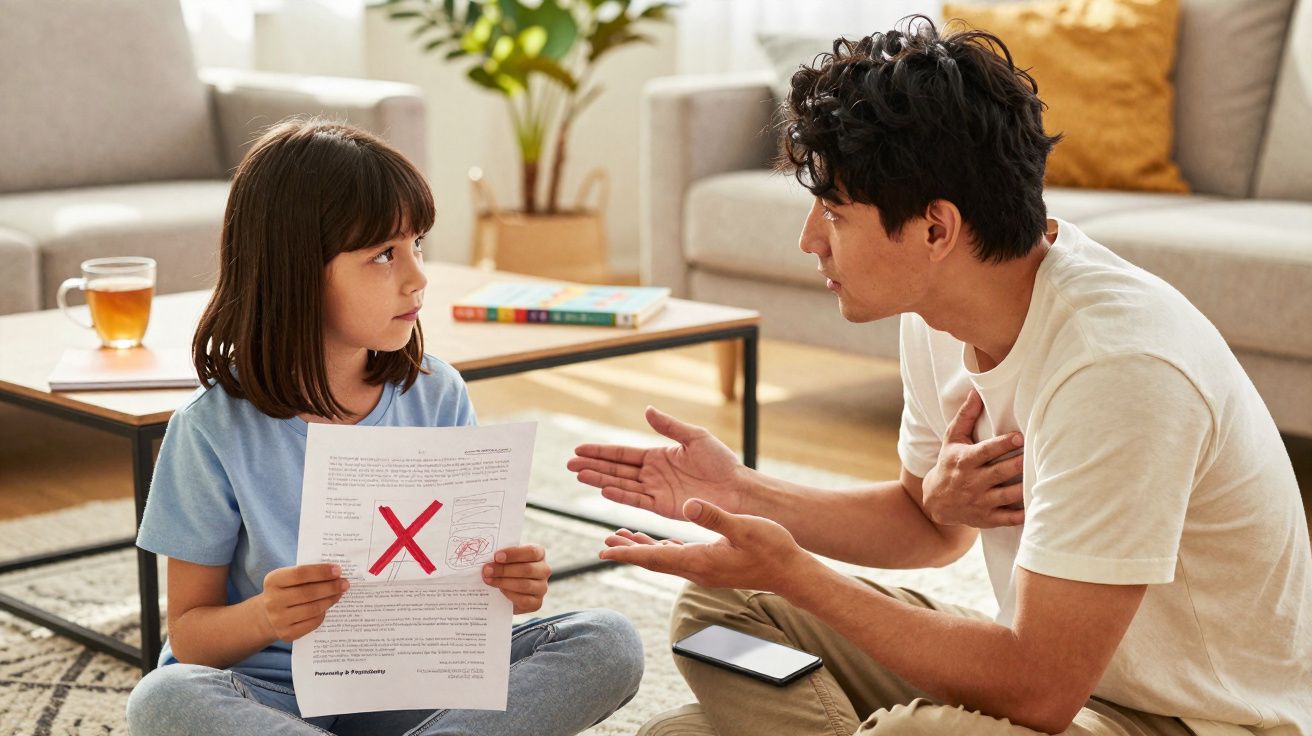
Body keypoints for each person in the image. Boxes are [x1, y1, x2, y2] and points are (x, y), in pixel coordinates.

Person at [568, 17, 1312, 736]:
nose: (808, 241)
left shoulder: (1118, 367)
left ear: (936, 230)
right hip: (1057, 685)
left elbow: (1041, 688)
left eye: (833, 211)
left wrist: (802, 574)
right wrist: (743, 494)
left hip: (1183, 720)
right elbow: (928, 528)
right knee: (717, 615)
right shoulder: (934, 308)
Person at [126, 118, 643, 735]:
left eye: (417, 244)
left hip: (421, 685)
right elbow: (188, 637)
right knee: (163, 698)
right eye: (382, 254)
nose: (417, 276)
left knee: (608, 639)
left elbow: (462, 589)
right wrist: (267, 615)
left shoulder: (436, 393)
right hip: (272, 696)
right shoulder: (210, 432)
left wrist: (506, 588)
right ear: (296, 269)